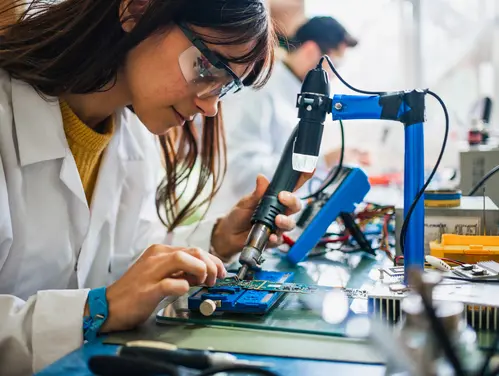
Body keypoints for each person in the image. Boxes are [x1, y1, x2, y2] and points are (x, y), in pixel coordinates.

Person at [0, 1, 307, 375]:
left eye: (225, 88)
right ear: (136, 11)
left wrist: (220, 238)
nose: (211, 108)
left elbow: (130, 260)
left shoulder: (133, 142)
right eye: (207, 66)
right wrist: (98, 307)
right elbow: (109, 296)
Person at [208, 16, 370, 217]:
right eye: (334, 63)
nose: (335, 75)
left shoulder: (295, 91)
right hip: (235, 224)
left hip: (276, 222)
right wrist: (321, 161)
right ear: (311, 51)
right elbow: (243, 174)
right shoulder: (259, 90)